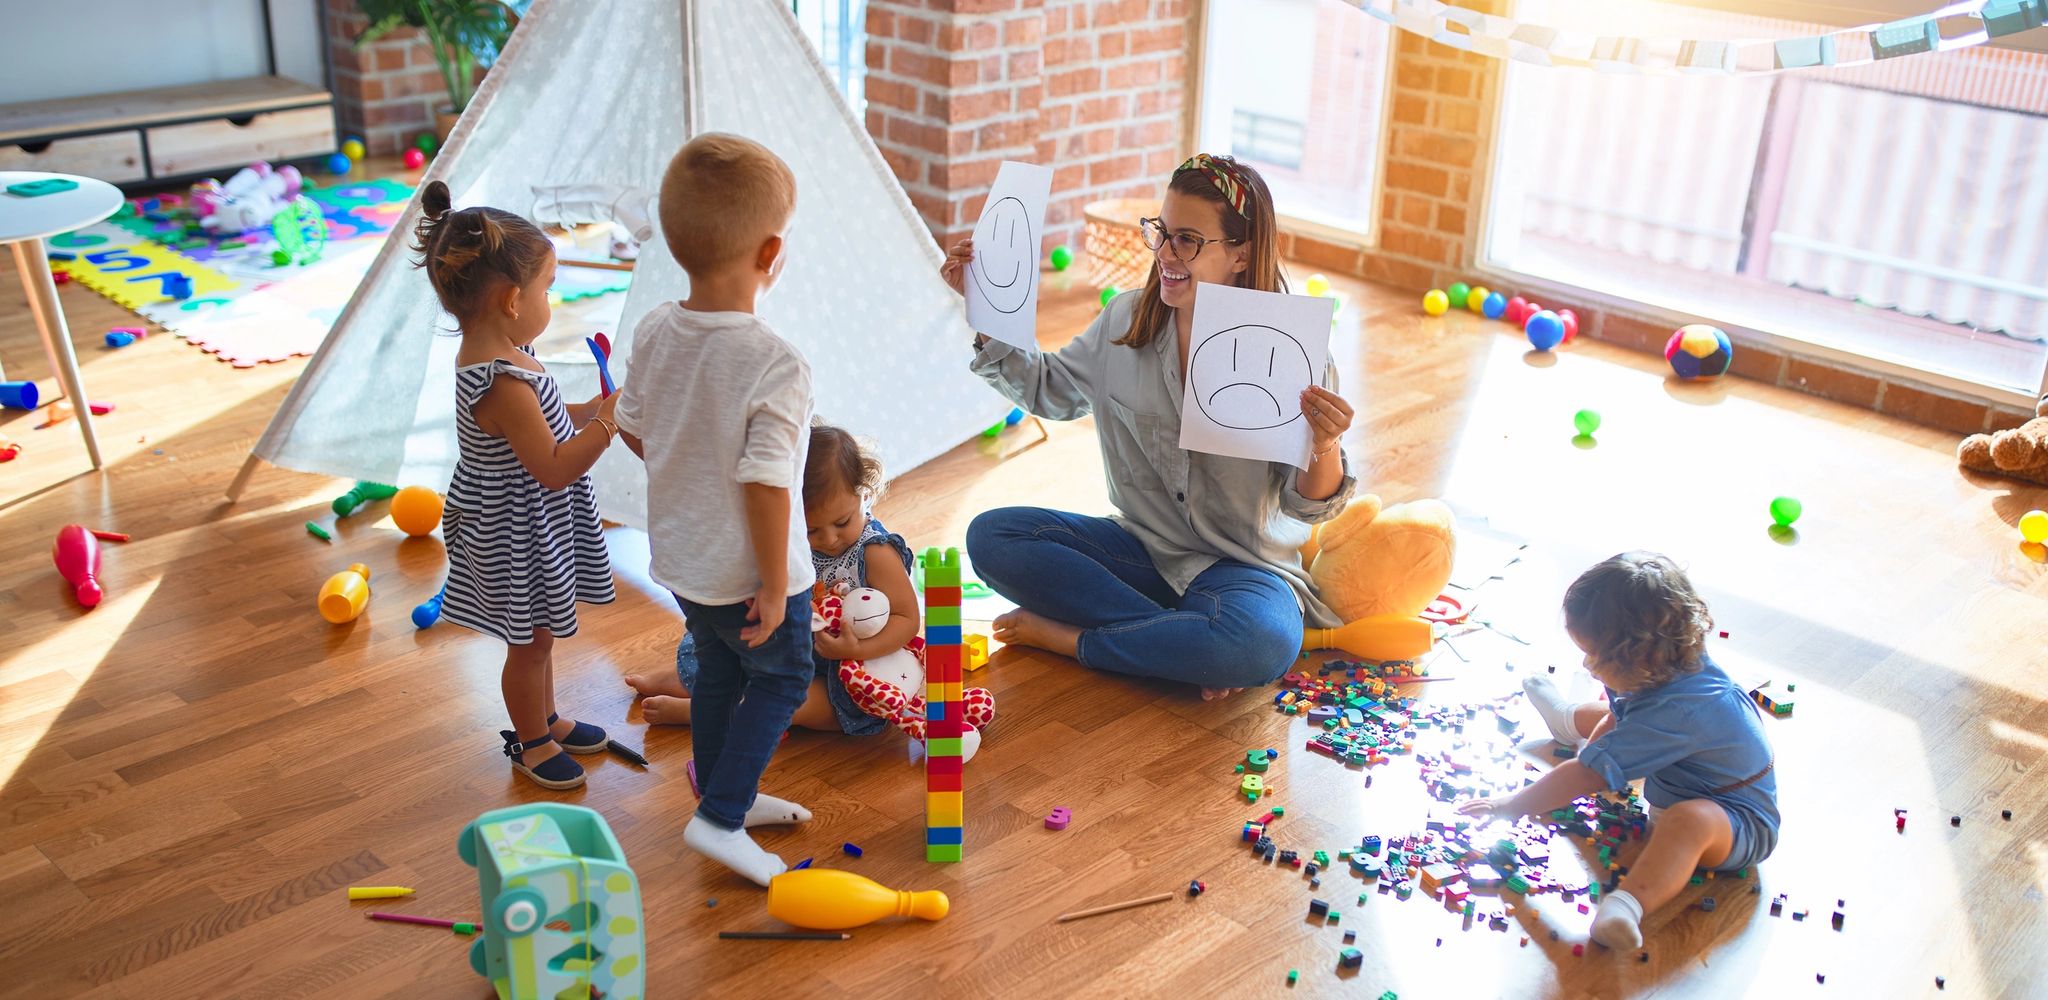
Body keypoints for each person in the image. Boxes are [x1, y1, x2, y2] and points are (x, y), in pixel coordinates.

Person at [941, 153, 1357, 699]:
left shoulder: (1293, 350)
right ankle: (1177, 645)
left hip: (1244, 571)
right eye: (1161, 232)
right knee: (992, 536)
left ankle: (1076, 640)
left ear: (1242, 253)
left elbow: (1306, 507)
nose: (1164, 253)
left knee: (1261, 643)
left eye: (1187, 239)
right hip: (1139, 552)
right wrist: (983, 308)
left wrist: (1325, 445)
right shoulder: (1124, 321)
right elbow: (1050, 390)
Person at [613, 133, 814, 885]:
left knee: (721, 677)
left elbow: (635, 429)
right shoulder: (775, 361)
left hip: (684, 560)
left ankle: (726, 790)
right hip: (752, 571)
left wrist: (688, 468)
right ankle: (721, 818)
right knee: (783, 679)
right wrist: (770, 581)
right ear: (771, 253)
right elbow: (767, 481)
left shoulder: (657, 329)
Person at [1458, 552, 1780, 950]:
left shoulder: (1683, 710)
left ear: (1637, 655)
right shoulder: (1666, 666)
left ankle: (1627, 906)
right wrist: (1594, 751)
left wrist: (1512, 804)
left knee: (1688, 820)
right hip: (1683, 769)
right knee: (1620, 713)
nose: (1586, 664)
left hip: (1736, 825)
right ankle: (1566, 718)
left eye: (1593, 656)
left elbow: (1584, 775)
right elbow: (1620, 714)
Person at [410, 180, 618, 791]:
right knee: (528, 641)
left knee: (543, 630)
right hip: (510, 527)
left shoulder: (513, 353)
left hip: (529, 519)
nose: (551, 301)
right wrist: (606, 423)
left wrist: (592, 409)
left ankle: (546, 718)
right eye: (548, 288)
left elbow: (550, 421)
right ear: (509, 298)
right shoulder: (500, 379)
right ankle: (529, 743)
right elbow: (553, 465)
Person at [623, 424, 918, 737]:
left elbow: (908, 619)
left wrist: (856, 649)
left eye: (842, 522)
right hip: (799, 655)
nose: (829, 539)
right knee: (731, 649)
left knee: (795, 704)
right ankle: (686, 681)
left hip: (857, 670)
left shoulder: (875, 552)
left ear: (865, 492)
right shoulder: (794, 541)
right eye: (810, 530)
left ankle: (703, 713)